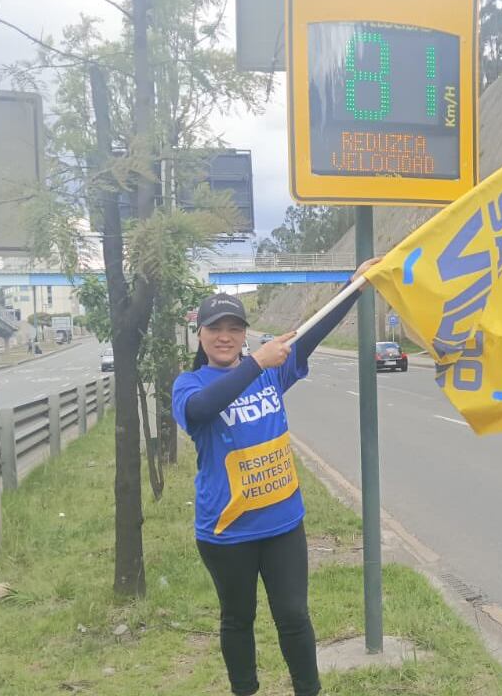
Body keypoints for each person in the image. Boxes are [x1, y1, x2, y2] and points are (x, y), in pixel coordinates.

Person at [172, 259, 378, 696]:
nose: (225, 336)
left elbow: (312, 334)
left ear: (245, 333)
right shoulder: (189, 384)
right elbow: (202, 410)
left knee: (293, 616)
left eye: (234, 327)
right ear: (201, 335)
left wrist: (354, 285)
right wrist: (256, 364)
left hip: (283, 524)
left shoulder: (270, 373)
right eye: (215, 328)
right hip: (226, 531)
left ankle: (309, 689)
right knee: (237, 617)